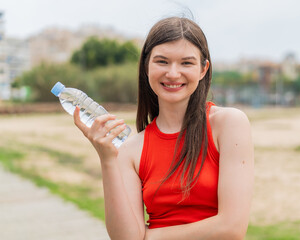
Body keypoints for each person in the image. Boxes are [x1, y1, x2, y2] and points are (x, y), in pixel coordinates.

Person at [73, 16, 254, 240]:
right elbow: (126, 237)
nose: (173, 73)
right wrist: (107, 160)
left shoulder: (229, 124)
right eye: (162, 61)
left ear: (203, 69)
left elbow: (232, 228)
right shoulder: (130, 149)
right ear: (146, 67)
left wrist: (150, 237)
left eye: (186, 63)